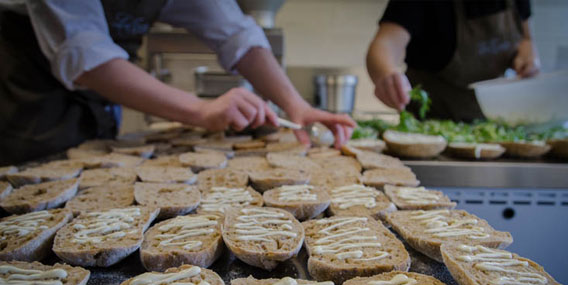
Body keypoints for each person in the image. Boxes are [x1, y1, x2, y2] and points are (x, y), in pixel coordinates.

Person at [0, 0, 355, 165]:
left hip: (104, 89)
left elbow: (237, 34)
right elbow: (84, 55)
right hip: (27, 89)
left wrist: (296, 105)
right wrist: (200, 110)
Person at [366, 0, 540, 122]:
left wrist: (528, 58)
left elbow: (526, 39)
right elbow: (385, 44)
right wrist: (386, 73)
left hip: (495, 124)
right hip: (431, 125)